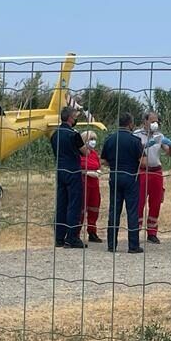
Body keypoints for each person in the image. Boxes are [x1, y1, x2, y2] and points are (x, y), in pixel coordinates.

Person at [100, 113, 145, 253]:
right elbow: (143, 162)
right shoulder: (135, 140)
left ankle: (111, 245)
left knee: (114, 210)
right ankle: (133, 245)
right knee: (132, 211)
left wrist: (114, 164)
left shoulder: (110, 139)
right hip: (131, 177)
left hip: (115, 176)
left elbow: (103, 161)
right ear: (130, 124)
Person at [49, 107, 88, 249]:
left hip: (60, 169)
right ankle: (72, 237)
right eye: (75, 116)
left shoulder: (54, 134)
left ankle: (59, 237)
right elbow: (85, 152)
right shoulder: (74, 134)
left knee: (61, 203)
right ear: (71, 118)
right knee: (74, 204)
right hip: (73, 170)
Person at [134, 112, 171, 244]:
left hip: (156, 171)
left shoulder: (159, 135)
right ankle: (136, 230)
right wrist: (146, 145)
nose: (154, 124)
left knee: (156, 202)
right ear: (145, 121)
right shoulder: (137, 134)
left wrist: (170, 146)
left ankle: (152, 232)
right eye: (152, 121)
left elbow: (168, 153)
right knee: (139, 202)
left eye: (156, 121)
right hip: (142, 171)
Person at [79, 131, 103, 243]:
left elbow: (99, 165)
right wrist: (86, 172)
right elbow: (77, 168)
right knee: (81, 209)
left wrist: (98, 171)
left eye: (94, 139)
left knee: (94, 208)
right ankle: (76, 233)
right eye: (90, 139)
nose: (93, 141)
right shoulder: (79, 154)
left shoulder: (94, 154)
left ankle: (92, 232)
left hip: (94, 185)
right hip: (83, 184)